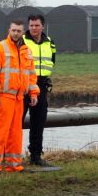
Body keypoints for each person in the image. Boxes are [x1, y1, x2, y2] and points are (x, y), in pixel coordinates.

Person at [0, 20, 39, 173]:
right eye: (14, 30)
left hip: (19, 98)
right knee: (0, 131)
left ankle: (14, 165)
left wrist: (33, 92)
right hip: (3, 96)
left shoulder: (26, 50)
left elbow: (31, 74)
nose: (16, 33)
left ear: (23, 32)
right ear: (9, 30)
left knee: (15, 133)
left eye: (19, 31)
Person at [22, 14, 56, 166]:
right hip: (23, 85)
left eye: (36, 25)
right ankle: (10, 157)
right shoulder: (21, 41)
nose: (33, 28)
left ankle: (35, 156)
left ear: (43, 26)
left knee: (39, 122)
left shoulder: (50, 43)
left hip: (41, 85)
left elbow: (52, 62)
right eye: (31, 25)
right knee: (16, 122)